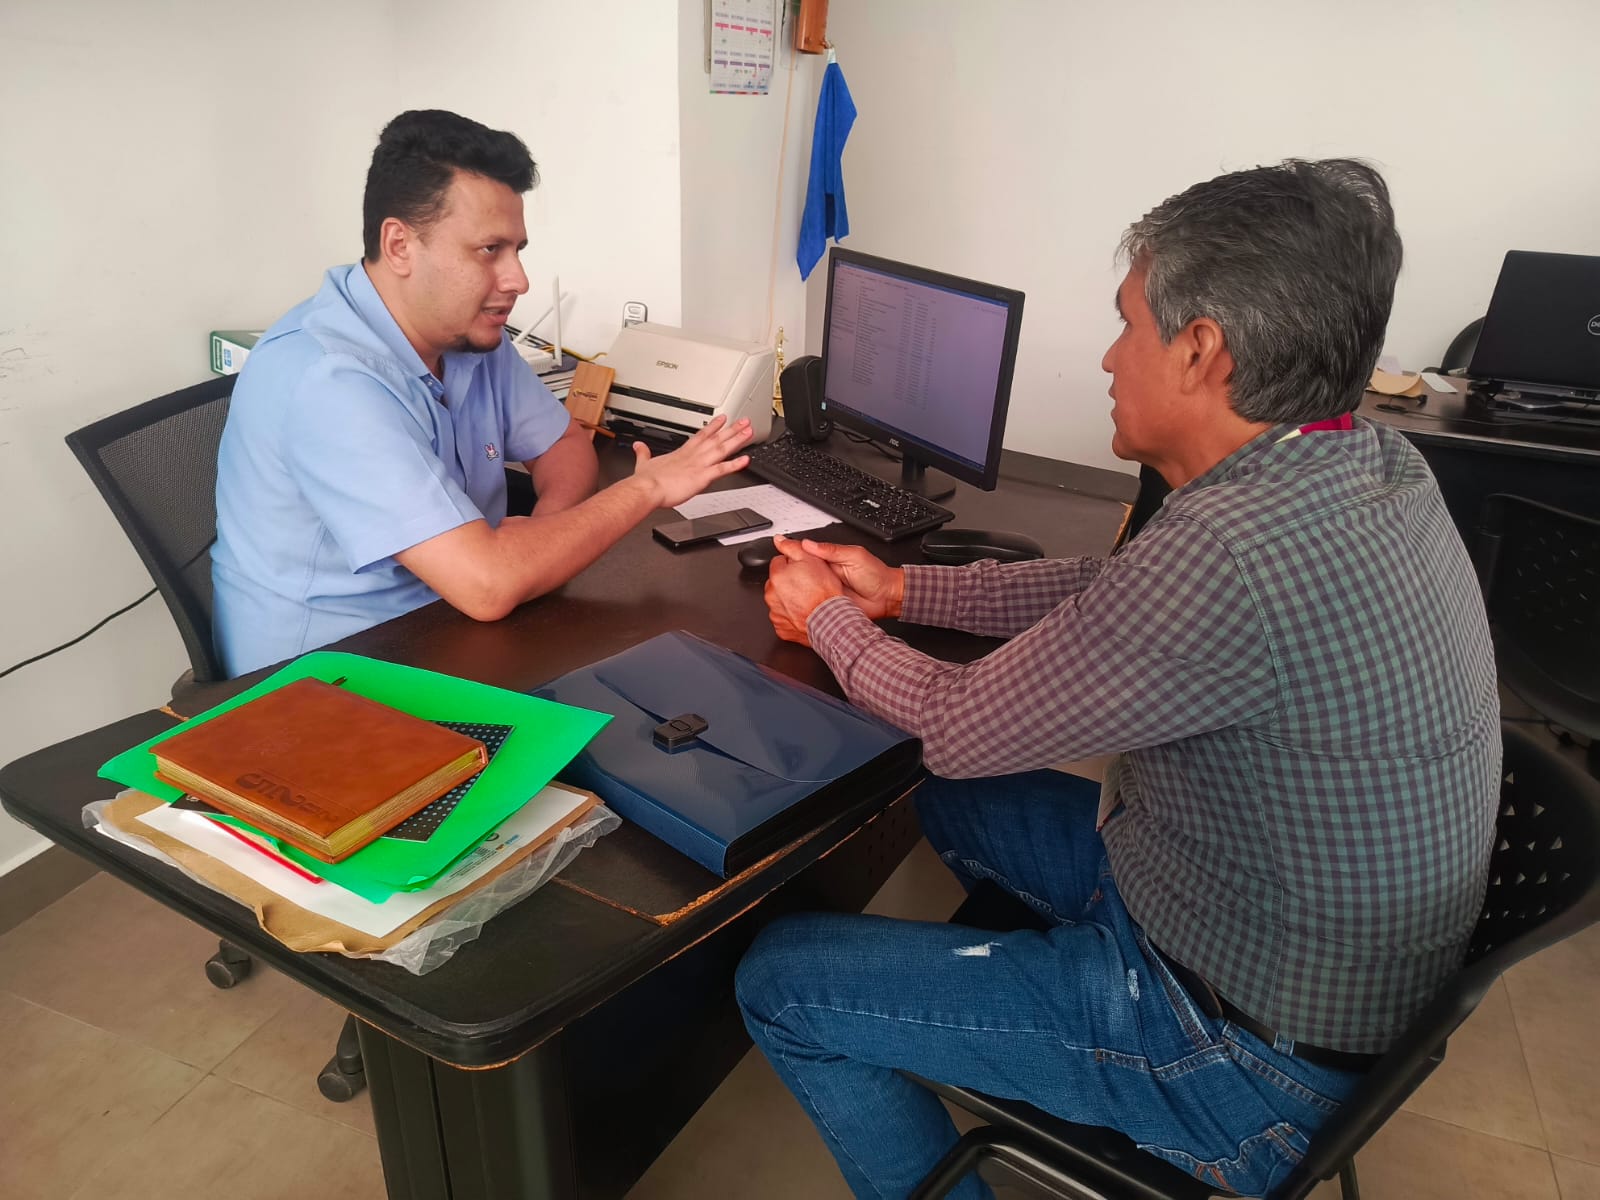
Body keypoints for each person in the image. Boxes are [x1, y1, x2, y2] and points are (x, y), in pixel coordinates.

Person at [737, 159, 1500, 1199]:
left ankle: (1084, 1040)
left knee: (782, 981)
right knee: (955, 804)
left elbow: (955, 725)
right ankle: (1027, 1013)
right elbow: (1119, 588)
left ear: (1199, 349)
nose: (1106, 357)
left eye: (1125, 324)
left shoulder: (1231, 548)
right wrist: (903, 590)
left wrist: (821, 616)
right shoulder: (1366, 461)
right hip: (1302, 971)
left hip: (1244, 1064)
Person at [212, 110, 752, 677]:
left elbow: (564, 443)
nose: (518, 279)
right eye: (489, 249)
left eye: (517, 249)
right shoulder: (328, 379)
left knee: (673, 677)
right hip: (327, 679)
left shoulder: (466, 333)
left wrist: (543, 532)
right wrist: (645, 488)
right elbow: (488, 585)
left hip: (453, 631)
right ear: (399, 245)